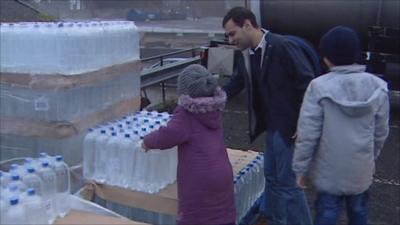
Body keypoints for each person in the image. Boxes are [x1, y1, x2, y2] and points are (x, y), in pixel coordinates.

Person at [222, 7, 314, 225]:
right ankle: (276, 220)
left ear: (247, 24)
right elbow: (236, 83)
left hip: (289, 128)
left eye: (232, 33)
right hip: (272, 127)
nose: (230, 40)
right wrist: (211, 100)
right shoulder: (247, 55)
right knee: (272, 180)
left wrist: (304, 122)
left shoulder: (282, 46)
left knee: (289, 185)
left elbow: (308, 84)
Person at [292, 26, 390, 225]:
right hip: (360, 168)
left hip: (329, 171)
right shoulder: (377, 86)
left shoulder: (319, 86)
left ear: (327, 57)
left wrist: (301, 168)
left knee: (327, 213)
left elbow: (308, 133)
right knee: (359, 210)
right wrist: (371, 157)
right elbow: (381, 131)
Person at [142, 64, 236, 225]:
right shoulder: (214, 109)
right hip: (223, 174)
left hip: (200, 178)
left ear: (185, 91)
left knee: (197, 215)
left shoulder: (187, 113)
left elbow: (168, 135)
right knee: (221, 213)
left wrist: (147, 141)